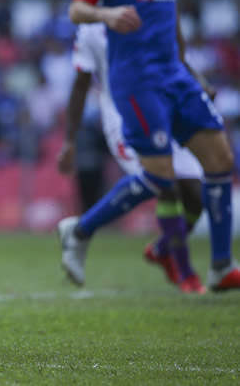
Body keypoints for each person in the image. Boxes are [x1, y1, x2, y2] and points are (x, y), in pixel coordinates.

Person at [57, 0, 240, 293]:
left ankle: (220, 265)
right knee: (161, 178)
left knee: (220, 160)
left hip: (175, 76)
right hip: (137, 82)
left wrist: (192, 73)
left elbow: (169, 18)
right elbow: (76, 8)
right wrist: (106, 14)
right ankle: (81, 230)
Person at [57, 22, 216, 292]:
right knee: (164, 183)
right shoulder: (91, 29)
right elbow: (81, 84)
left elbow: (173, 56)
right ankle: (186, 273)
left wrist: (198, 83)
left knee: (196, 194)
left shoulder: (147, 9)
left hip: (164, 111)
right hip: (123, 117)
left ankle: (161, 250)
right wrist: (70, 139)